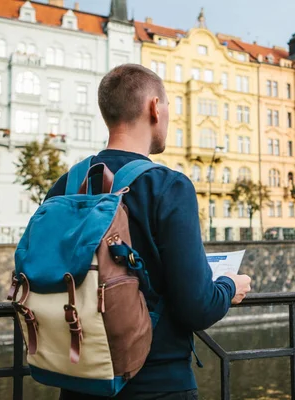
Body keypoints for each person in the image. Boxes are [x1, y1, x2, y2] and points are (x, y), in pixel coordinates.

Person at [46, 64, 252, 400]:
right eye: (169, 107)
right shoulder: (167, 186)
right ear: (155, 108)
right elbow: (197, 307)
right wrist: (230, 285)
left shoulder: (64, 186)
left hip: (77, 381)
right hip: (156, 383)